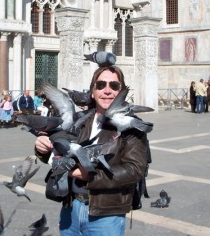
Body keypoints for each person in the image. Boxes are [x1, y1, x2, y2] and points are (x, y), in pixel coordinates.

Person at [34, 65, 149, 236]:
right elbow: (59, 150)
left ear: (122, 92)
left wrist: (90, 176)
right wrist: (43, 148)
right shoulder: (78, 120)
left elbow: (135, 170)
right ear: (93, 91)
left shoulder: (131, 126)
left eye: (114, 86)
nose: (107, 90)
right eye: (101, 85)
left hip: (106, 216)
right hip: (70, 210)